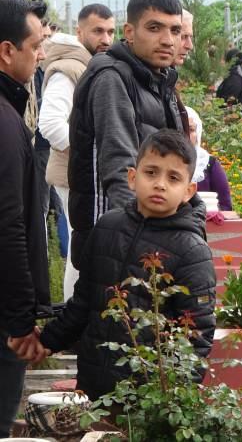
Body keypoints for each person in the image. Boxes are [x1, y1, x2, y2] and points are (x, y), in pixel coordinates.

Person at [40, 129, 217, 401]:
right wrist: (45, 342)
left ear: (188, 191)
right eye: (151, 173)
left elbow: (197, 338)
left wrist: (173, 398)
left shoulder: (192, 251)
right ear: (132, 178)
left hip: (150, 394)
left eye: (173, 178)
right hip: (93, 388)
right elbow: (84, 302)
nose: (160, 184)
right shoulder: (107, 228)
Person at [68, 0, 185, 271]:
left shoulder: (157, 78)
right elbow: (120, 167)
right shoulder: (113, 78)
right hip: (118, 241)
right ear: (129, 32)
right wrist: (146, 241)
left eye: (175, 30)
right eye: (155, 28)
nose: (168, 40)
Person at [38, 3, 115, 300]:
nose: (105, 39)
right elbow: (49, 123)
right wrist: (86, 153)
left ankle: (76, 317)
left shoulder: (89, 64)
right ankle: (73, 317)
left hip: (84, 172)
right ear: (80, 31)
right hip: (73, 174)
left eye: (110, 31)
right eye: (98, 31)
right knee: (81, 249)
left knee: (85, 247)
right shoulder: (68, 69)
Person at [0, 0, 50, 438]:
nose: (41, 56)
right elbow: (9, 225)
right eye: (35, 46)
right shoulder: (4, 122)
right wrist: (20, 320)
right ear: (6, 50)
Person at [186, 106, 232, 211]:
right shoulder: (164, 162)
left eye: (191, 129)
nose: (186, 134)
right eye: (182, 128)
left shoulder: (208, 163)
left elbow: (225, 205)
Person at [216, 48, 242, 115]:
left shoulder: (235, 77)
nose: (221, 62)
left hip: (241, 117)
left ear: (229, 61)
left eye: (223, 59)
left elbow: (229, 101)